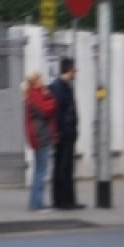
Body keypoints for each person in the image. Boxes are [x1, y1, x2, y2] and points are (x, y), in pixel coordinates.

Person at [48, 57, 83, 210]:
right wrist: (61, 131)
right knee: (63, 166)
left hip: (66, 132)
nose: (75, 73)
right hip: (63, 134)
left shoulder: (64, 86)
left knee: (66, 166)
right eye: (74, 70)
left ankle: (67, 200)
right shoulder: (59, 87)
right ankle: (63, 201)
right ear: (68, 70)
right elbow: (59, 112)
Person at [23, 71, 57, 212]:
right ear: (36, 81)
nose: (43, 80)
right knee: (41, 171)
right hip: (40, 135)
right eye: (40, 78)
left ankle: (35, 202)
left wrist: (47, 95)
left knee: (39, 170)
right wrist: (52, 100)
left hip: (38, 135)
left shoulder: (33, 94)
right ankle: (37, 204)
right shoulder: (35, 95)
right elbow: (45, 110)